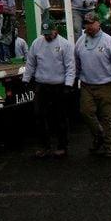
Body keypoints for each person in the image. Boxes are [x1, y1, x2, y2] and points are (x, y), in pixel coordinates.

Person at [75, 12, 111, 157]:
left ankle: (109, 145)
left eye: (92, 23)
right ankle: (99, 135)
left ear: (98, 23)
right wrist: (74, 79)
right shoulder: (80, 42)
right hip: (87, 84)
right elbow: (77, 62)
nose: (89, 26)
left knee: (107, 116)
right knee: (85, 112)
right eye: (86, 24)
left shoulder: (109, 42)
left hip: (106, 85)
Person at [23, 21, 75, 158]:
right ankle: (44, 146)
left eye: (49, 33)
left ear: (55, 31)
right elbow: (30, 63)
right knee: (39, 116)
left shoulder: (65, 45)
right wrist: (26, 79)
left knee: (60, 117)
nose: (47, 36)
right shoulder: (37, 43)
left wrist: (69, 84)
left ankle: (62, 146)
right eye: (44, 34)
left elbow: (70, 66)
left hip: (59, 86)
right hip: (42, 85)